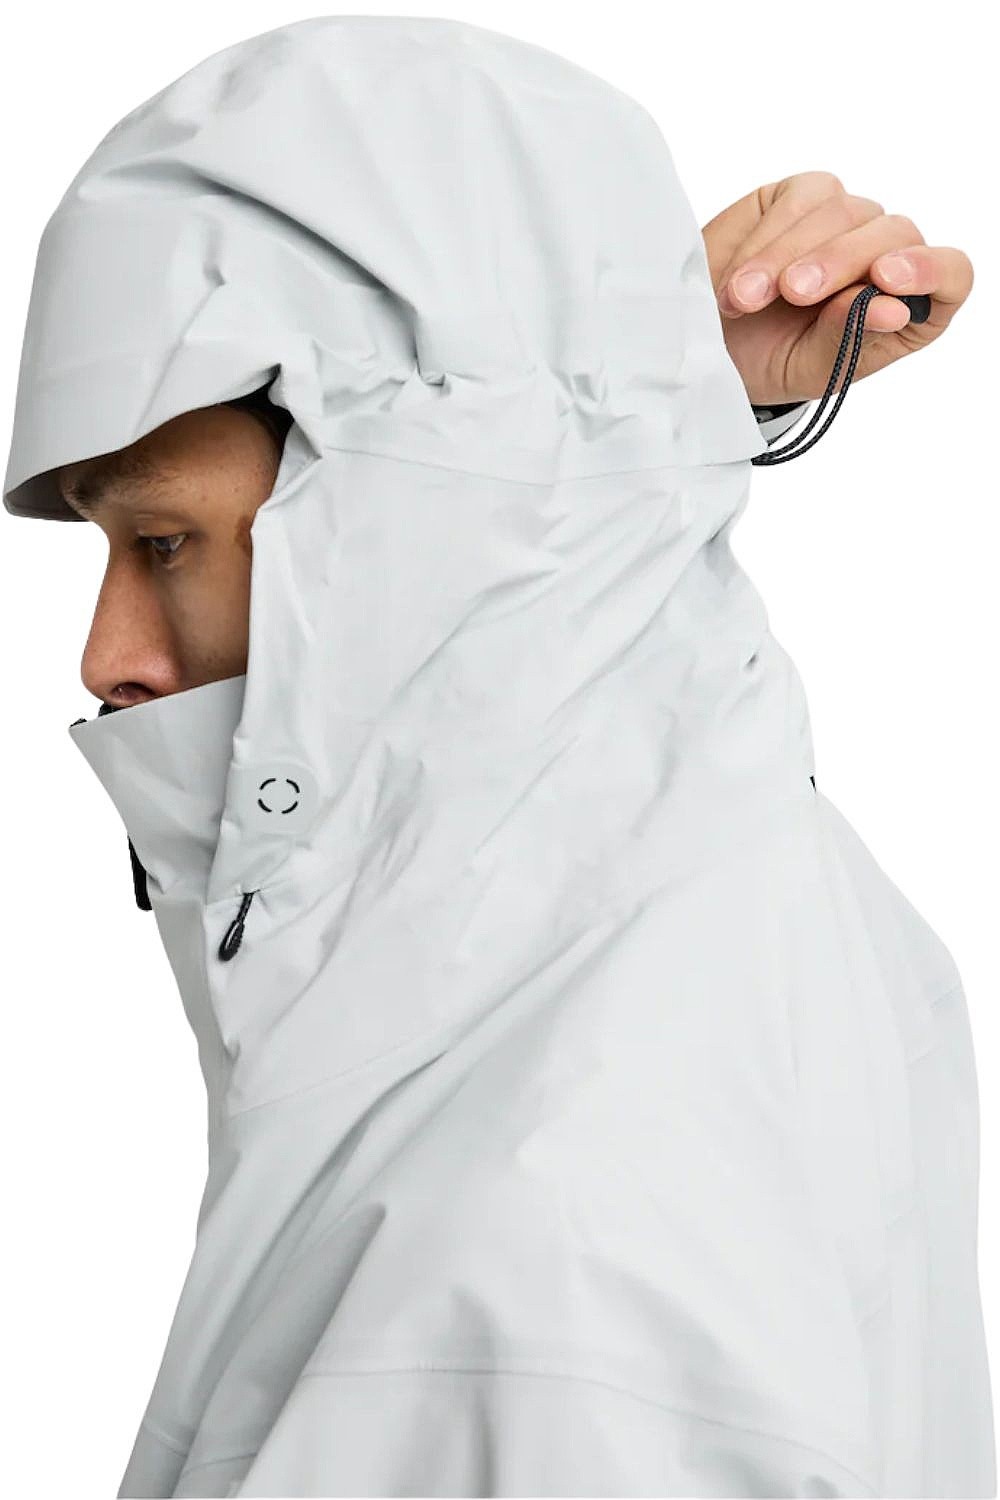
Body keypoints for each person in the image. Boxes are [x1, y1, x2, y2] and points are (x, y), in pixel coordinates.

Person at [2, 15, 993, 1500]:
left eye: (161, 543)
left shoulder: (553, 1261)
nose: (106, 657)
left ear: (400, 527)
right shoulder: (698, 928)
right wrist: (608, 448)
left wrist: (584, 452)